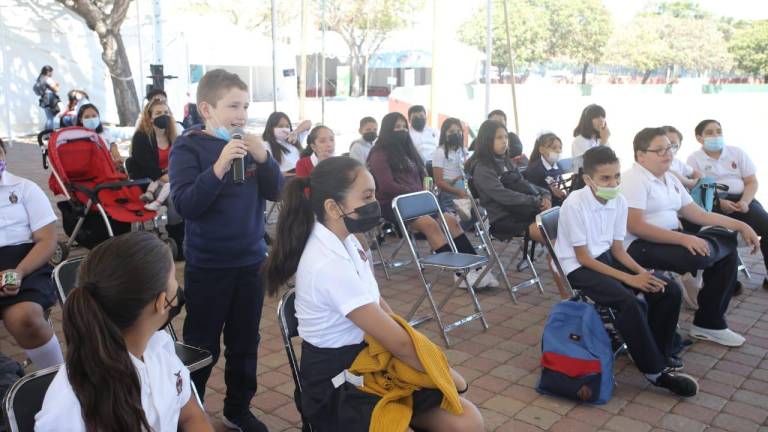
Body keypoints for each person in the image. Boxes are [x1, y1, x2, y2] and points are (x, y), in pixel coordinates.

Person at [263, 157, 484, 432]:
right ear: (333, 207)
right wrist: (445, 375)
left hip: (370, 359)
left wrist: (427, 362)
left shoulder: (352, 240)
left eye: (375, 194)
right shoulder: (326, 262)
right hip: (336, 385)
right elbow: (399, 344)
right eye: (367, 196)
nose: (376, 203)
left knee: (468, 421)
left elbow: (378, 304)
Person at [169, 68, 283, 431]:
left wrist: (265, 159)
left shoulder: (249, 145)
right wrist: (218, 167)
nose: (241, 114)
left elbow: (275, 191)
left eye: (246, 106)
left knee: (245, 341)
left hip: (250, 262)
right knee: (202, 344)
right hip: (209, 265)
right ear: (207, 108)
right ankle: (191, 410)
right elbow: (186, 205)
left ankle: (238, 408)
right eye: (232, 105)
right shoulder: (189, 146)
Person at [554, 146, 698, 396]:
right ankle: (655, 372)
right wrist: (631, 279)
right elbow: (584, 257)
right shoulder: (574, 204)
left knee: (667, 288)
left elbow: (619, 250)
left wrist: (644, 274)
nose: (614, 182)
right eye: (606, 178)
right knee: (629, 302)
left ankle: (658, 352)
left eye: (617, 176)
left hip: (606, 258)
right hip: (579, 267)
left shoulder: (619, 201)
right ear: (588, 179)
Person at [34, 232, 212, 432]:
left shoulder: (160, 350)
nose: (178, 288)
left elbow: (191, 415)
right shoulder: (69, 408)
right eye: (173, 278)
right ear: (162, 303)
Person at [622, 127, 760, 347]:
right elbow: (636, 226)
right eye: (659, 150)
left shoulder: (670, 178)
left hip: (670, 238)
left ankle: (709, 324)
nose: (667, 154)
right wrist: (685, 239)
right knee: (702, 254)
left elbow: (697, 213)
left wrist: (741, 225)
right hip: (639, 245)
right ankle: (720, 242)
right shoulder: (634, 179)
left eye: (669, 148)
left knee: (727, 254)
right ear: (640, 155)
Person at [368, 112, 496, 288]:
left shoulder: (408, 150)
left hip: (419, 199)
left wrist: (425, 189)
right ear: (388, 130)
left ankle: (476, 267)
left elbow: (423, 174)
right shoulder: (379, 154)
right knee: (430, 224)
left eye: (404, 127)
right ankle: (460, 273)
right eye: (397, 127)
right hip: (395, 203)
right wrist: (416, 192)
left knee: (451, 220)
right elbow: (387, 185)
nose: (402, 130)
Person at [0, 139, 64, 372]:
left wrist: (19, 272)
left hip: (26, 263)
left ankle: (59, 379)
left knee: (25, 318)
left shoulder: (25, 188)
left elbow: (47, 239)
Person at [687, 119, 768, 290]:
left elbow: (751, 181)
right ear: (699, 138)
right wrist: (719, 202)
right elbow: (698, 189)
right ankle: (729, 282)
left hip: (743, 200)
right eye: (710, 132)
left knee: (766, 224)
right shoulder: (694, 159)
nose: (716, 135)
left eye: (718, 131)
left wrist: (745, 201)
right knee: (718, 234)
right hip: (712, 203)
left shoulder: (736, 153)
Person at [465, 120, 550, 244]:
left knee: (558, 228)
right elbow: (504, 196)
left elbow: (524, 183)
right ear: (487, 140)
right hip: (504, 220)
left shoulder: (506, 161)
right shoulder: (482, 168)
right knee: (550, 234)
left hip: (522, 211)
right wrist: (536, 201)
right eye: (499, 137)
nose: (504, 141)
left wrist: (545, 194)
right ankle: (556, 261)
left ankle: (554, 261)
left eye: (506, 137)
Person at [130, 99, 179, 212]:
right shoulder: (141, 137)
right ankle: (175, 228)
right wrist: (176, 180)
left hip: (170, 177)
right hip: (151, 180)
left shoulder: (172, 136)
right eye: (158, 113)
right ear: (150, 118)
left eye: (166, 112)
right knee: (174, 196)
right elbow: (151, 169)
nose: (164, 116)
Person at [431, 117, 469, 212]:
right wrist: (458, 191)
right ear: (444, 134)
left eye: (458, 131)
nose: (456, 134)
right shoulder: (440, 152)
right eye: (451, 131)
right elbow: (439, 182)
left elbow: (467, 172)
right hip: (449, 191)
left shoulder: (463, 151)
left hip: (463, 188)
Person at [525, 132, 567, 206]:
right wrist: (550, 191)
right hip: (543, 205)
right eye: (554, 148)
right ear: (541, 150)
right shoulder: (534, 169)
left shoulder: (558, 166)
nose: (558, 151)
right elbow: (531, 191)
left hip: (557, 203)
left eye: (560, 148)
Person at [76, 103, 123, 168]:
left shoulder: (105, 131)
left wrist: (117, 159)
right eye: (87, 117)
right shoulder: (76, 136)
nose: (91, 119)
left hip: (108, 167)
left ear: (98, 117)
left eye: (94, 116)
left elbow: (113, 146)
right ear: (80, 120)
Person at [571, 104, 610, 174]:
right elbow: (592, 162)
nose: (601, 120)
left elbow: (609, 158)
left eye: (603, 117)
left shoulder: (600, 139)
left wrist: (604, 140)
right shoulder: (579, 140)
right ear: (587, 120)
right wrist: (604, 140)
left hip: (600, 177)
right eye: (597, 117)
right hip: (584, 179)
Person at [661, 125, 701, 190]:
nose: (669, 146)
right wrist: (689, 182)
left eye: (673, 143)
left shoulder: (677, 162)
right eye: (666, 142)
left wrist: (699, 183)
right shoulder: (652, 160)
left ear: (679, 146)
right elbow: (665, 171)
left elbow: (696, 173)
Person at [35, 66, 60, 130]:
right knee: (52, 118)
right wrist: (57, 85)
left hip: (44, 99)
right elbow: (56, 89)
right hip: (50, 99)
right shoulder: (48, 79)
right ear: (48, 72)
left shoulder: (40, 79)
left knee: (49, 117)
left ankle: (46, 133)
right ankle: (49, 134)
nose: (52, 74)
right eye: (51, 72)